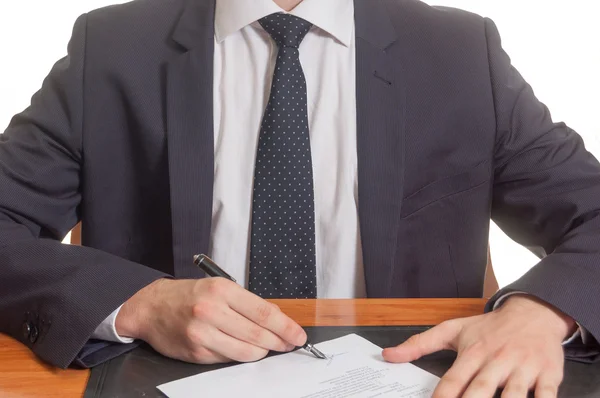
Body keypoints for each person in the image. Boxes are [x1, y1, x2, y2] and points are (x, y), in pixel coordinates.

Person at [0, 0, 598, 396]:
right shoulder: (112, 45)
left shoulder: (461, 50)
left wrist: (541, 311)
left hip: (405, 382)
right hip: (167, 379)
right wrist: (137, 304)